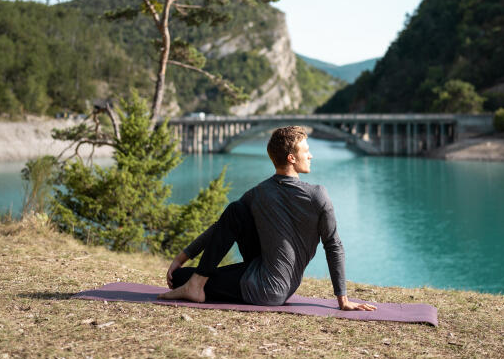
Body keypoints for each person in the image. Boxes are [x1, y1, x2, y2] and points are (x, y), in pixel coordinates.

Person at [158, 126, 376, 311]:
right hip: (264, 275)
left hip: (268, 288)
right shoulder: (314, 195)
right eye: (306, 151)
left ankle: (196, 285)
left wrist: (344, 299)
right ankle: (195, 284)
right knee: (179, 276)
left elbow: (333, 246)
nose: (310, 156)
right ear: (291, 158)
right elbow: (334, 245)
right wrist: (342, 299)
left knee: (184, 276)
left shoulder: (261, 192)